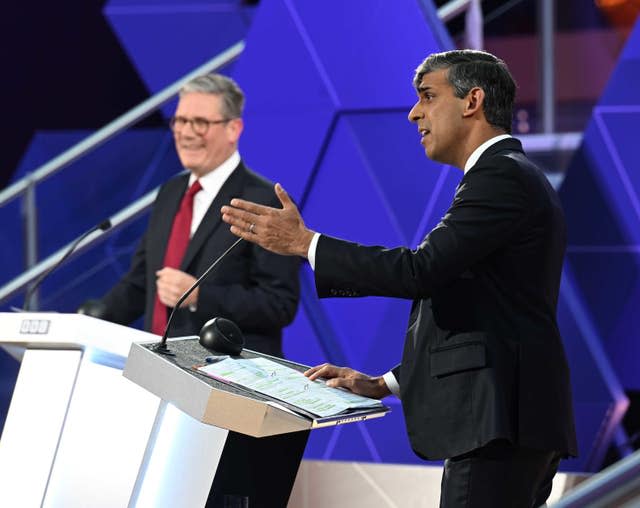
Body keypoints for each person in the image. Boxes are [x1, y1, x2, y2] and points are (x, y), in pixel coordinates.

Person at [220, 50, 578, 507]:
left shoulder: (501, 177)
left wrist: (306, 244)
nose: (414, 113)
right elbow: (483, 313)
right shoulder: (503, 177)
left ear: (472, 101)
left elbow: (420, 271)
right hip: (506, 421)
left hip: (499, 422)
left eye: (428, 96)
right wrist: (384, 384)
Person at [85, 73, 300, 357]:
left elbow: (278, 304)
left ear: (233, 129)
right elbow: (142, 283)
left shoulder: (264, 201)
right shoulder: (171, 192)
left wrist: (201, 296)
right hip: (156, 367)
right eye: (180, 121)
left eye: (199, 123)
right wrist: (84, 326)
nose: (185, 133)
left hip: (225, 373)